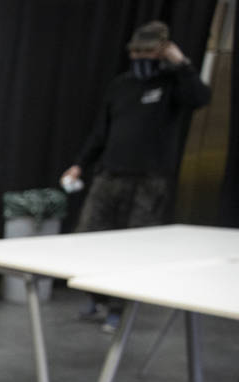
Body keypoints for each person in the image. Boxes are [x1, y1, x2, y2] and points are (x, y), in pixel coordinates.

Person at [61, 20, 210, 333]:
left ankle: (119, 308)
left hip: (149, 179)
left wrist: (180, 63)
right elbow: (101, 130)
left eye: (149, 51)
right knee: (88, 236)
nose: (141, 57)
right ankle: (95, 298)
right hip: (110, 175)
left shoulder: (174, 84)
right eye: (136, 51)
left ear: (162, 52)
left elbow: (200, 98)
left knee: (134, 247)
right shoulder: (121, 85)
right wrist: (79, 164)